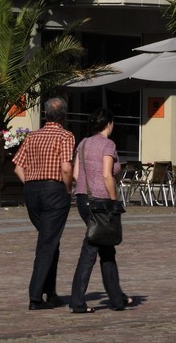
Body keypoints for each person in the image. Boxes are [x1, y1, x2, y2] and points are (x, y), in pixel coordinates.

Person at [11, 96, 75, 311]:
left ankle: (51, 292)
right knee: (47, 243)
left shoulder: (32, 136)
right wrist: (68, 189)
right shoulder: (65, 136)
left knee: (50, 240)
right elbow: (66, 168)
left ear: (46, 115)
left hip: (32, 191)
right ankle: (36, 297)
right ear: (64, 116)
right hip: (54, 191)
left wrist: (30, 183)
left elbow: (18, 167)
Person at [69, 109, 131, 313]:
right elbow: (106, 175)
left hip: (83, 198)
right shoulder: (108, 145)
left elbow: (76, 174)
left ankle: (117, 299)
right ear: (109, 123)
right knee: (91, 247)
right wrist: (114, 201)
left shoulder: (84, 143)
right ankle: (77, 301)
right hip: (101, 202)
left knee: (106, 248)